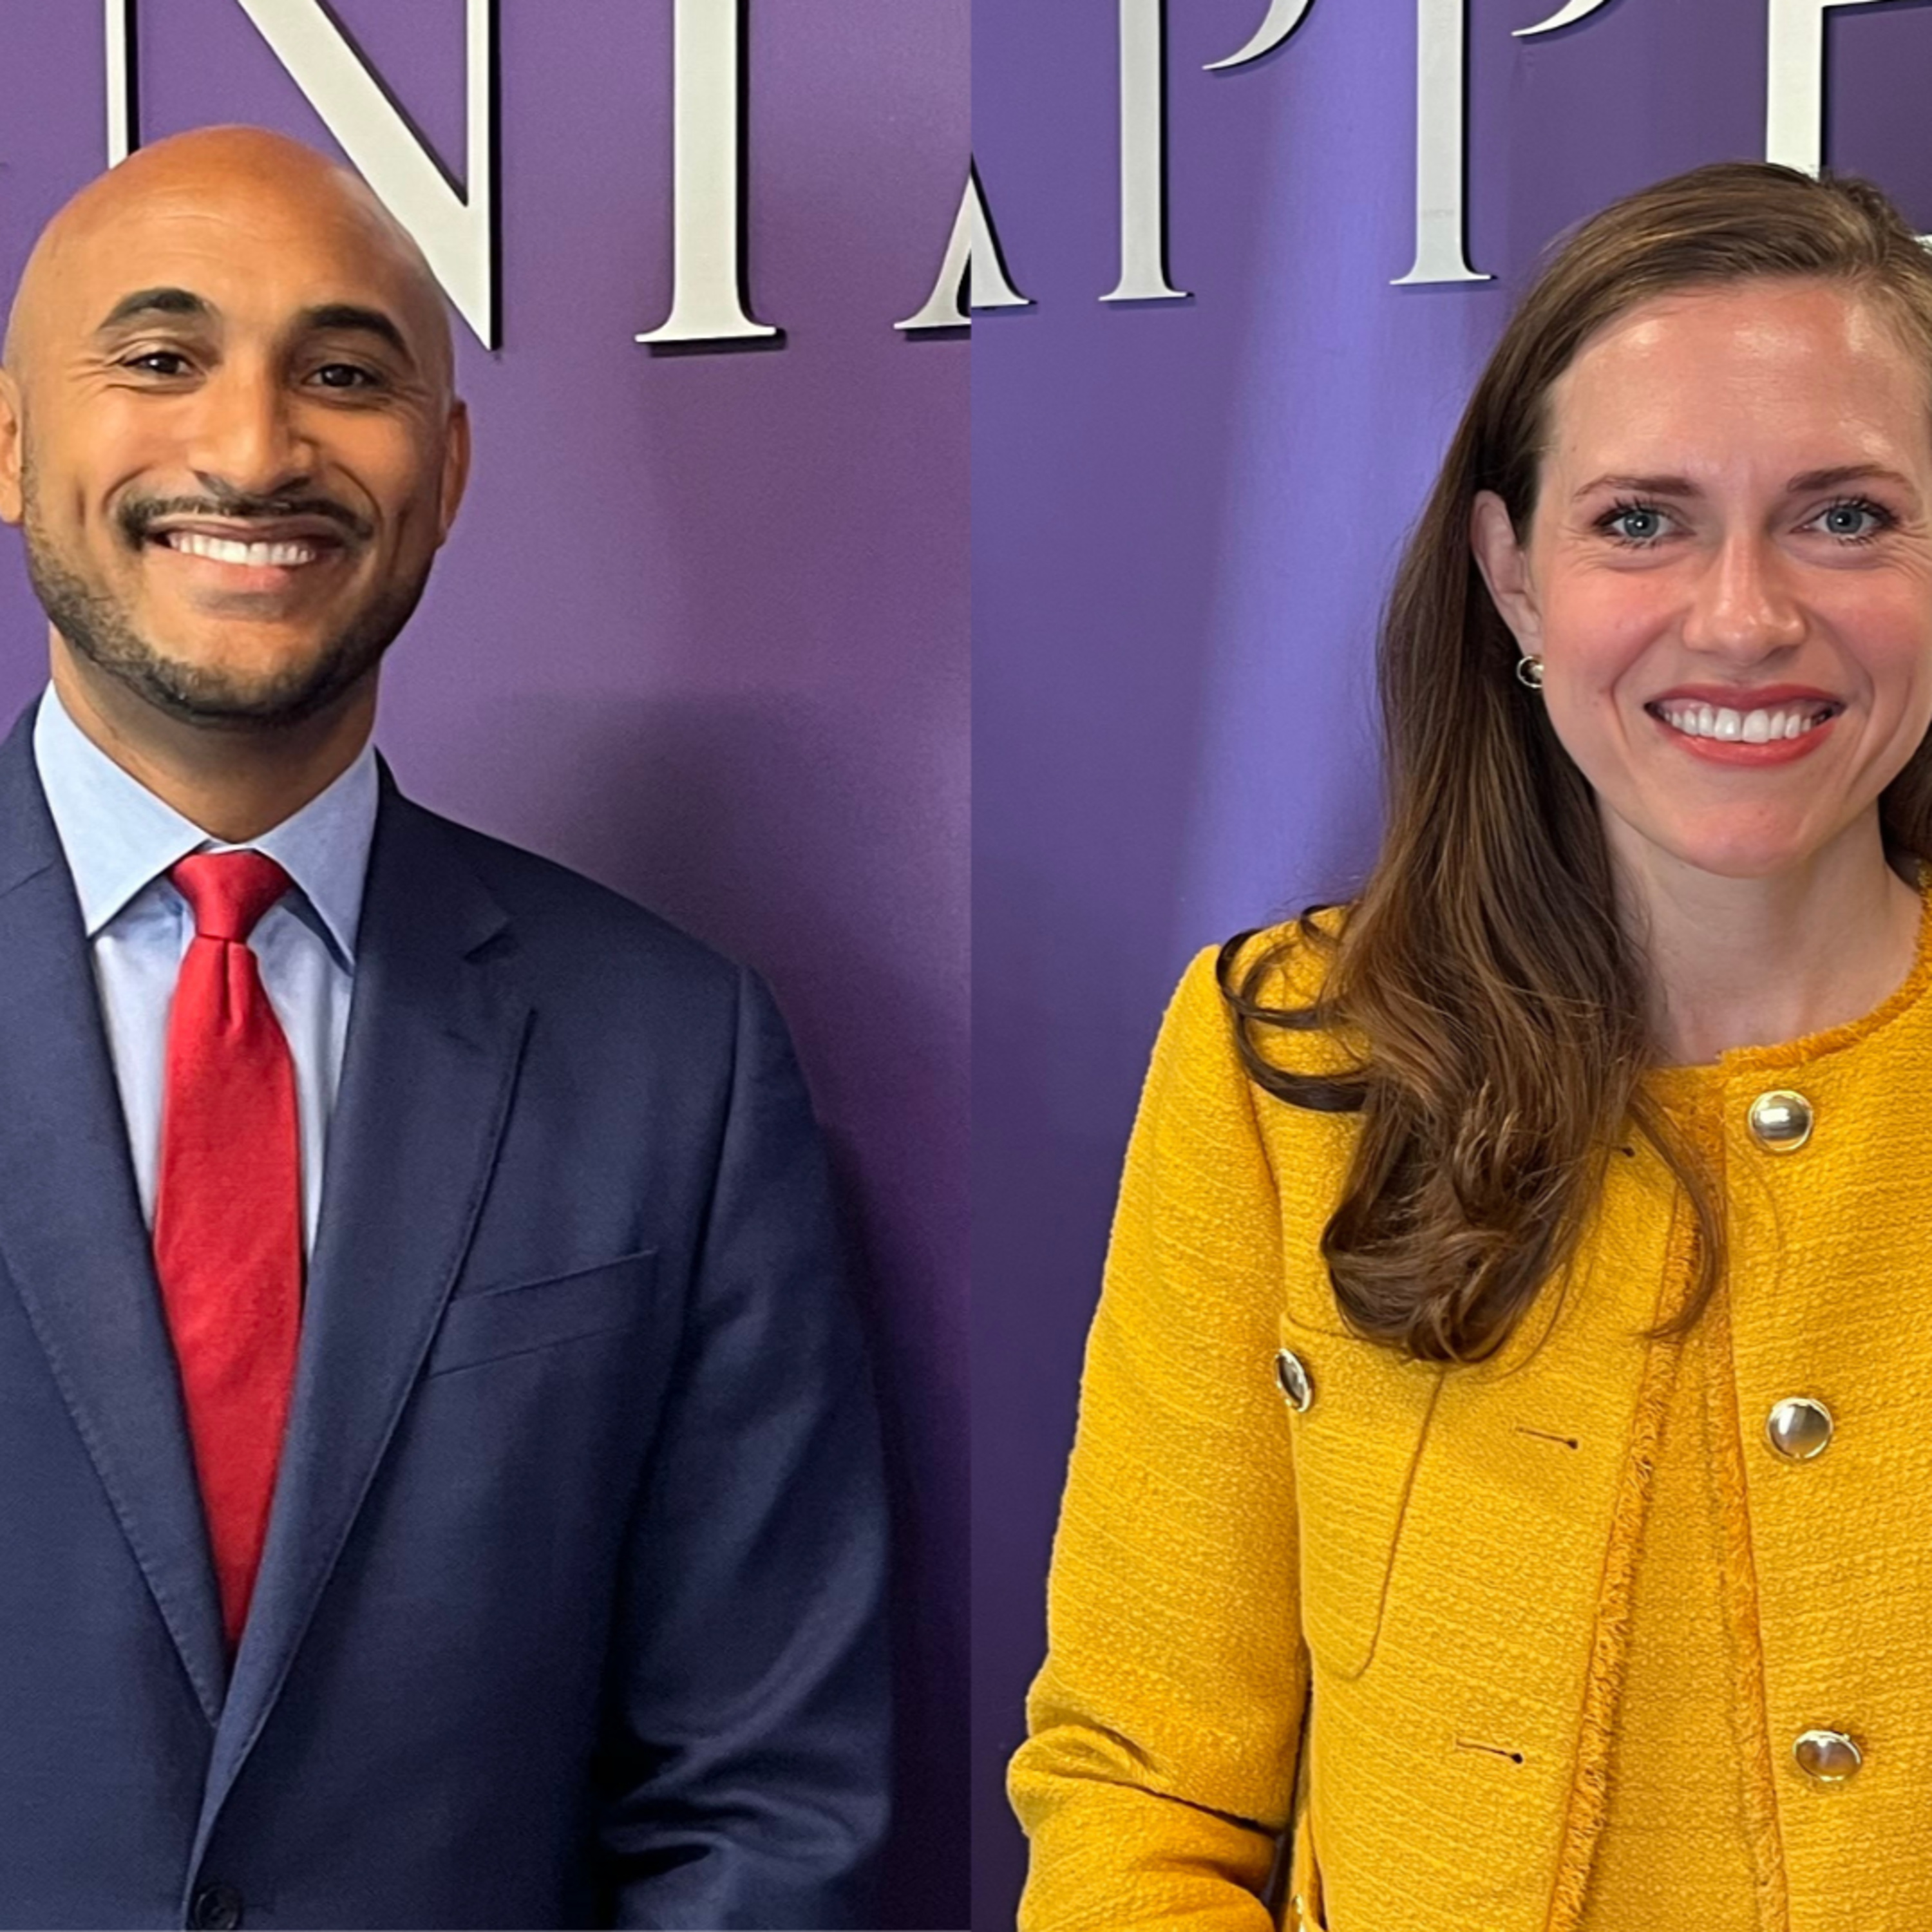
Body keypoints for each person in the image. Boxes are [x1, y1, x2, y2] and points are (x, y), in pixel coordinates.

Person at [1009, 160, 1932, 1930]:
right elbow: (1141, 1793)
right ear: (1513, 577)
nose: (1744, 615)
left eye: (1846, 515)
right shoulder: (1286, 1067)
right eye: (1641, 520)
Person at [0, 125, 888, 1929]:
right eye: (160, 358)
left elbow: (763, 1802)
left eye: (344, 376)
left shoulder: (675, 1061)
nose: (254, 448)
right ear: (12, 445)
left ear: (449, 469)